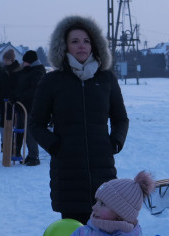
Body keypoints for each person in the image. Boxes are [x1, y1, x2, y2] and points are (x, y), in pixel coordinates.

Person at [29, 15, 129, 224]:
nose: (81, 46)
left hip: (103, 169)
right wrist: (56, 146)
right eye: (74, 41)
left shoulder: (106, 79)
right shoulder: (52, 81)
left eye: (86, 41)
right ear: (64, 46)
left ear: (95, 45)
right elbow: (36, 123)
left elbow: (120, 119)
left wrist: (115, 142)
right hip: (67, 172)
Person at [16, 50, 44, 165]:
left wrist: (20, 96)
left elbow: (34, 91)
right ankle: (31, 154)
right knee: (27, 132)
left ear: (30, 62)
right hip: (24, 106)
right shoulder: (29, 71)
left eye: (25, 61)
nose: (23, 64)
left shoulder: (37, 72)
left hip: (31, 106)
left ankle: (34, 156)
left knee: (30, 132)